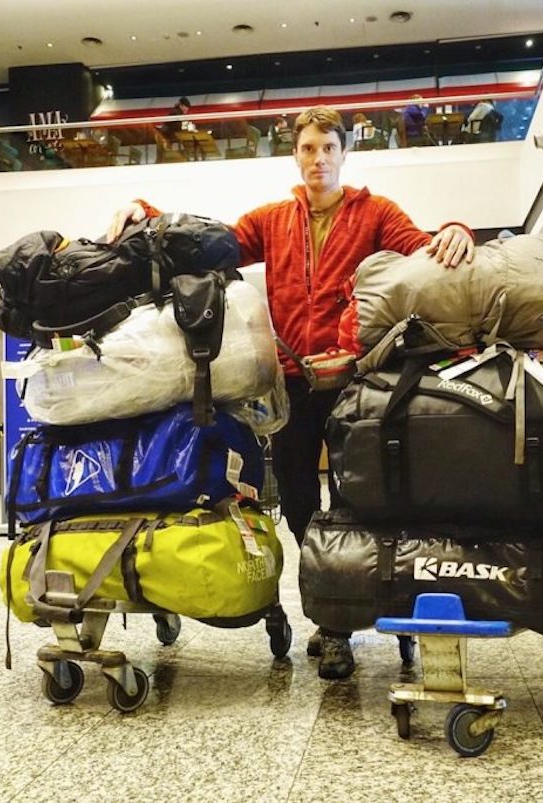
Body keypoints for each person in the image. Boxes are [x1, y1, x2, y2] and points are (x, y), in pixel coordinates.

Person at [106, 106, 475, 679]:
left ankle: (353, 617)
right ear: (295, 155)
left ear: (344, 153)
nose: (318, 158)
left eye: (328, 147)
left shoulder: (376, 212)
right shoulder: (272, 220)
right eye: (308, 148)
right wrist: (147, 212)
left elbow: (423, 249)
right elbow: (207, 244)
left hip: (356, 381)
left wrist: (456, 229)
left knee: (360, 498)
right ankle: (334, 614)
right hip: (294, 381)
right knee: (300, 501)